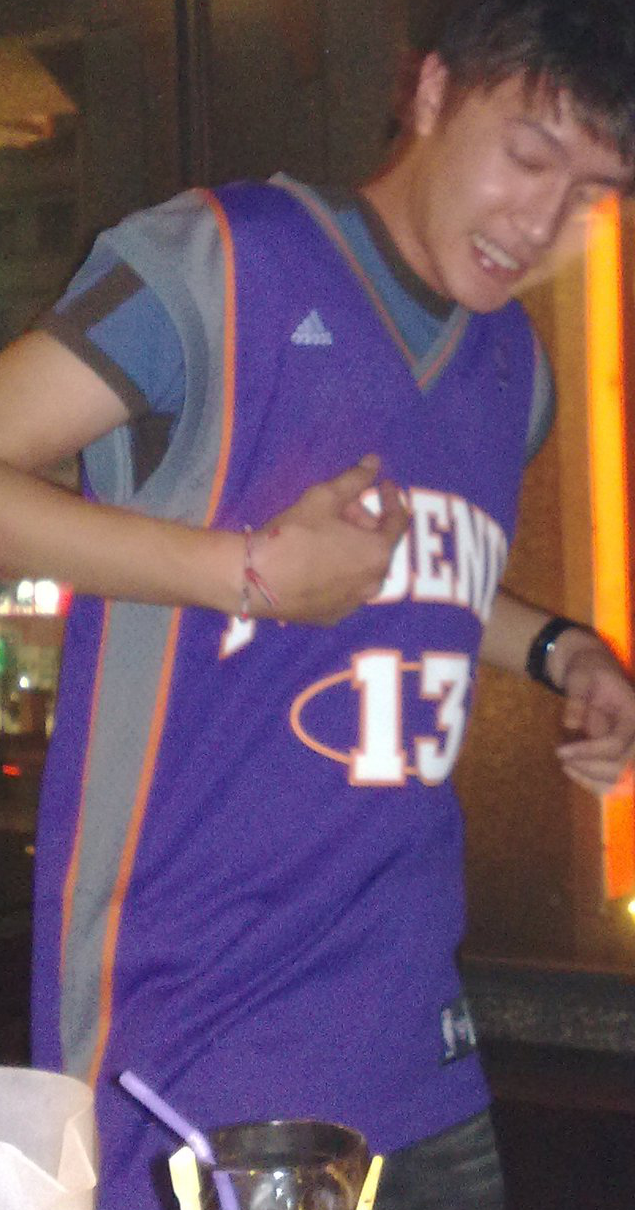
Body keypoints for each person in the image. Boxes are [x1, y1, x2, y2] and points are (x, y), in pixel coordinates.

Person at [1, 0, 635, 1204]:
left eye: (590, 194)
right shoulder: (219, 263)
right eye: (527, 156)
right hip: (198, 1063)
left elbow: (415, 576)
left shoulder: (511, 372)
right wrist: (244, 572)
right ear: (431, 93)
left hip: (418, 1045)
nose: (541, 222)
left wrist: (563, 649)